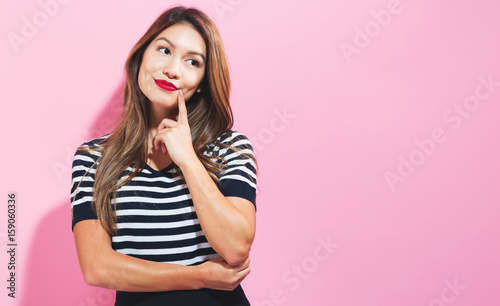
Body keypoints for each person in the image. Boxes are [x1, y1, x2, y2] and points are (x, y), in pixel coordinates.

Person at [70, 6, 257, 306]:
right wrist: (200, 277)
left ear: (202, 82)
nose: (173, 69)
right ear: (141, 56)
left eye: (192, 61)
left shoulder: (231, 149)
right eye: (164, 50)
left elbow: (235, 247)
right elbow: (98, 268)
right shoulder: (93, 158)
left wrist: (187, 158)